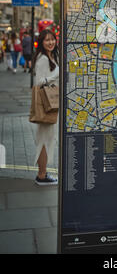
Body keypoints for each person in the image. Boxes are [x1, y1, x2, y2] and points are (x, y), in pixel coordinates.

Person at [32, 29, 59, 186]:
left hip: (52, 103)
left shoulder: (51, 56)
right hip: (46, 104)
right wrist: (55, 76)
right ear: (42, 43)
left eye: (52, 39)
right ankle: (41, 175)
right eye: (47, 40)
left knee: (48, 139)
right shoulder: (42, 59)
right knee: (44, 139)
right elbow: (39, 82)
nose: (50, 42)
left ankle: (42, 173)